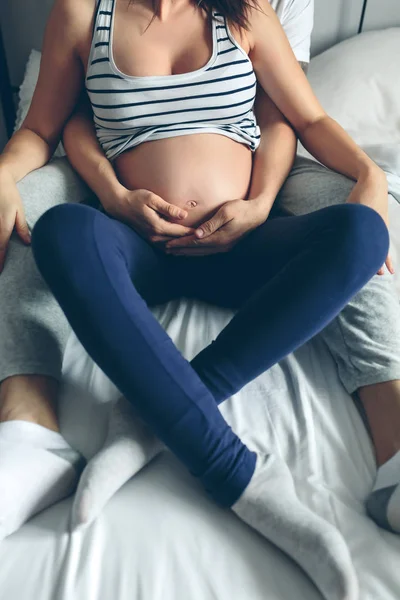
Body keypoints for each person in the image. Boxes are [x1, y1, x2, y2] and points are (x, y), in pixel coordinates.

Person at [0, 0, 394, 594]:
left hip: (243, 246)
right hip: (139, 249)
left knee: (363, 233)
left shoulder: (247, 13)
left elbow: (306, 120)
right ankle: (240, 478)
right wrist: (32, 177)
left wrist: (365, 176)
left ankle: (148, 421)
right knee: (60, 232)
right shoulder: (82, 14)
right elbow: (40, 129)